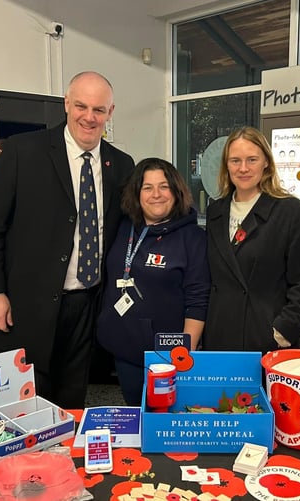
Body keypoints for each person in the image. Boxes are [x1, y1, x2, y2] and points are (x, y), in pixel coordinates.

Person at [0, 71, 134, 409]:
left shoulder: (121, 164)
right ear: (66, 104)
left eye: (99, 110)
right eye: (81, 106)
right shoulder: (22, 151)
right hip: (26, 303)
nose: (89, 117)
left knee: (73, 395)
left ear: (111, 112)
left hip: (89, 302)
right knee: (25, 398)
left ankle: (64, 459)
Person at [96, 158, 210, 405]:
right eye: (147, 187)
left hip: (167, 355)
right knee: (138, 419)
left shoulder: (193, 238)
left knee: (166, 424)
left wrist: (184, 353)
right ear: (137, 194)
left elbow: (198, 299)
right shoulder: (124, 227)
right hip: (124, 350)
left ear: (176, 191)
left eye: (164, 186)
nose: (156, 194)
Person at [204, 126, 300, 353]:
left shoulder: (290, 211)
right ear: (226, 166)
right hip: (220, 336)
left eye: (252, 159)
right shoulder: (215, 212)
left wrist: (284, 331)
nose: (243, 168)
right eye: (235, 161)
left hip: (266, 338)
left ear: (266, 162)